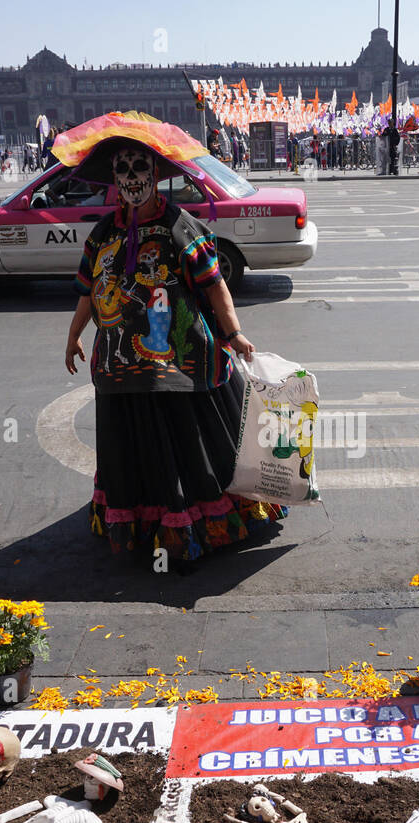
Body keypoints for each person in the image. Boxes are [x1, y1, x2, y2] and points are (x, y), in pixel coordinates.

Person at [62, 137, 286, 565]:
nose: (131, 177)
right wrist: (73, 334)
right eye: (122, 169)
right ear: (113, 179)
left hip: (176, 363)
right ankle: (143, 519)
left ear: (157, 175)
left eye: (139, 167)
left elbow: (214, 285)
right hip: (118, 364)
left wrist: (233, 333)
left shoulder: (182, 226)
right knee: (132, 444)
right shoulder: (103, 232)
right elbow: (89, 290)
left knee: (181, 443)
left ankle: (189, 518)